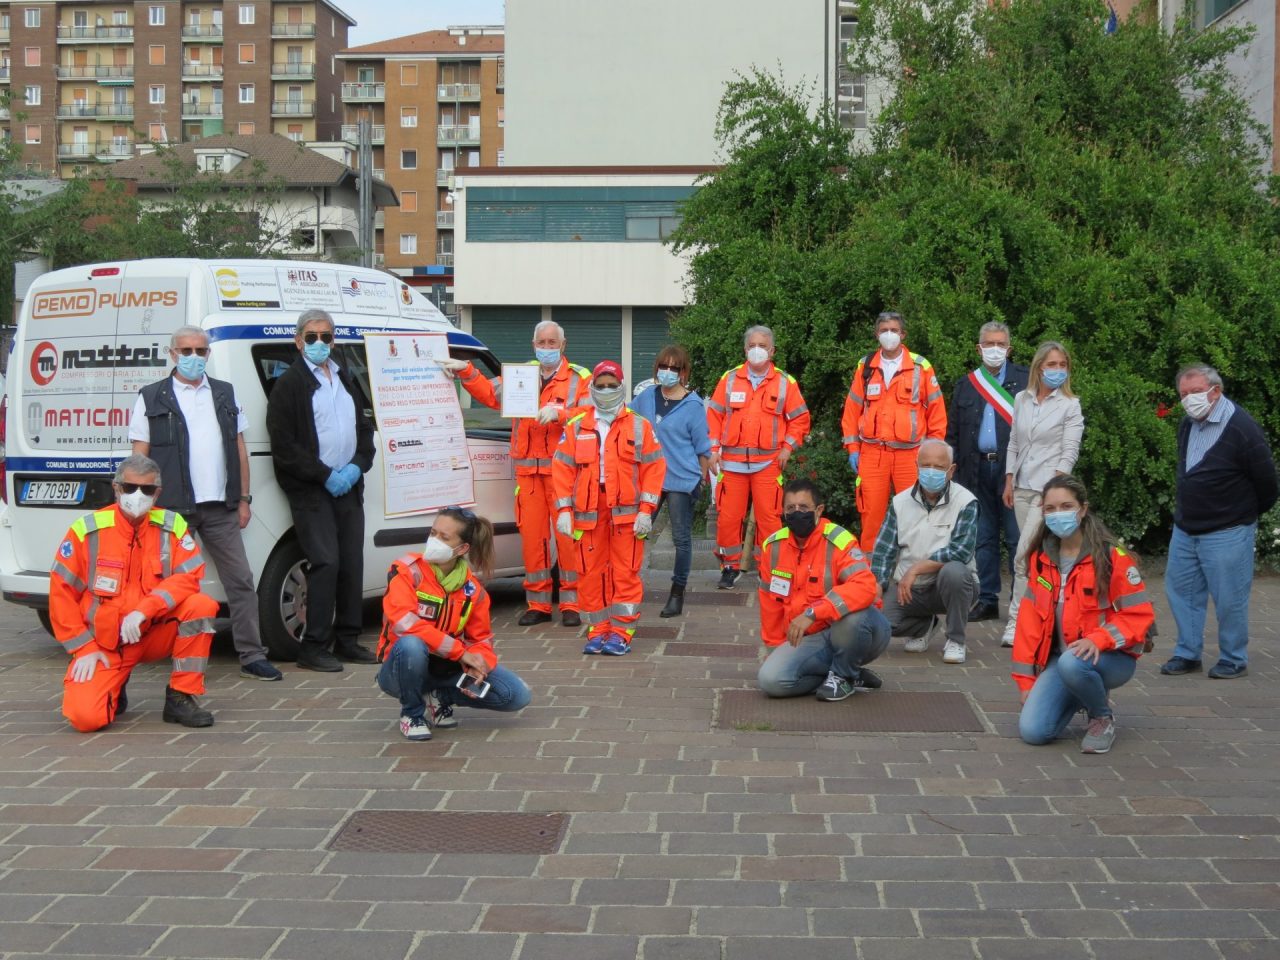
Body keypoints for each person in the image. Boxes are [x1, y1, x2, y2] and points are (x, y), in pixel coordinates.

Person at [130, 326, 282, 682]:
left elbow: (240, 449)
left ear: (209, 354)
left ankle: (252, 655)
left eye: (200, 350)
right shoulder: (152, 396)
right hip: (170, 510)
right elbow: (140, 456)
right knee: (166, 585)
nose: (194, 357)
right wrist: (141, 504)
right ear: (172, 354)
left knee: (241, 581)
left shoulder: (225, 394)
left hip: (220, 506)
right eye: (186, 350)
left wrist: (244, 499)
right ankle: (159, 649)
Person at [49, 455, 218, 731]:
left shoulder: (171, 526)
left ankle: (180, 695)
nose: (137, 495)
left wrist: (144, 610)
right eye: (129, 487)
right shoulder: (87, 531)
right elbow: (61, 593)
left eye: (147, 490)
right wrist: (83, 647)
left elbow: (190, 576)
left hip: (151, 632)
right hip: (105, 645)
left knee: (201, 606)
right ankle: (115, 685)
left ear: (157, 493)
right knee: (85, 718)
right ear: (116, 488)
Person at [438, 321, 590, 627]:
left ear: (564, 345)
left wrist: (561, 414)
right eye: (542, 343)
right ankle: (538, 604)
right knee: (533, 541)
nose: (547, 348)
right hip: (528, 475)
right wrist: (465, 370)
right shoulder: (521, 375)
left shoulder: (578, 378)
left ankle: (572, 603)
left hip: (563, 473)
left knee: (567, 540)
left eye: (552, 343)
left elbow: (591, 413)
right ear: (533, 344)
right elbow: (491, 394)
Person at [265, 309, 378, 672]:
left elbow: (364, 430)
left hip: (348, 485)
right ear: (298, 342)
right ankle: (313, 646)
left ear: (334, 339)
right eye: (311, 337)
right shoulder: (290, 385)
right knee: (326, 561)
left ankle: (347, 640)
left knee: (350, 563)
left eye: (326, 337)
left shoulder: (344, 377)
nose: (319, 343)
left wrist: (356, 466)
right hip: (312, 490)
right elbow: (284, 446)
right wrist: (324, 475)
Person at [1013, 475, 1155, 753]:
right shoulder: (1041, 558)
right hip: (1062, 660)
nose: (1058, 514)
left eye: (1066, 506)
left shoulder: (1112, 557)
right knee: (1033, 732)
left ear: (1082, 509)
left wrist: (1099, 639)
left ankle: (1101, 717)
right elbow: (1028, 623)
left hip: (1111, 658)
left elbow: (1139, 615)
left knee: (1072, 663)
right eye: (1050, 509)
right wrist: (1026, 682)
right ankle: (1082, 691)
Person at [1162, 364, 1277, 680]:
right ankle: (1187, 653)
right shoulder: (1189, 424)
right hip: (1187, 528)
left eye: (1196, 392)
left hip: (1228, 529)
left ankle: (1233, 657)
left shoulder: (1242, 428)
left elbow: (1267, 483)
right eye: (1184, 394)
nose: (1189, 399)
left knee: (1230, 598)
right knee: (1181, 593)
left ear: (1216, 390)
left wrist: (1241, 516)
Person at [376, 506, 531, 740]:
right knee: (411, 644)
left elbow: (481, 639)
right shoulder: (406, 571)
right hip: (401, 669)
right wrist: (460, 653)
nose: (434, 540)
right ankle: (412, 714)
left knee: (515, 695)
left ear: (462, 548)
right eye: (433, 533)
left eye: (444, 537)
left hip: (445, 669)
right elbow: (404, 623)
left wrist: (479, 665)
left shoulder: (473, 590)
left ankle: (439, 697)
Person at [551, 360, 665, 655]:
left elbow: (654, 468)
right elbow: (562, 470)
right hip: (588, 513)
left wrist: (646, 509)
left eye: (611, 385)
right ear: (592, 388)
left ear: (621, 387)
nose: (605, 390)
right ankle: (598, 629)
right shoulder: (577, 426)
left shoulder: (640, 425)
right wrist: (564, 510)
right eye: (600, 385)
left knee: (624, 572)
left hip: (627, 513)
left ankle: (622, 631)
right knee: (590, 573)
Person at [756, 479, 892, 701]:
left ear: (819, 510)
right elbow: (770, 603)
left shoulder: (839, 541)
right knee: (771, 681)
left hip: (855, 631)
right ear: (783, 511)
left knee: (853, 619)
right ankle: (842, 673)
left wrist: (814, 612)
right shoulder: (773, 547)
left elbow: (866, 587)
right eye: (790, 508)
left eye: (804, 507)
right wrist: (775, 650)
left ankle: (844, 675)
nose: (797, 513)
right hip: (809, 640)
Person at [706, 326, 811, 589]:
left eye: (762, 346)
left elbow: (800, 419)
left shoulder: (785, 382)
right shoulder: (729, 379)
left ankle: (769, 568)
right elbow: (714, 416)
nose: (757, 350)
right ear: (745, 349)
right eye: (752, 345)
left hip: (768, 463)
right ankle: (729, 567)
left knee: (770, 519)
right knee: (728, 518)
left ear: (772, 351)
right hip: (731, 464)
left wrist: (788, 447)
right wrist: (713, 449)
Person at [999, 341, 1084, 647]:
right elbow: (1013, 442)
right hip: (1021, 486)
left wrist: (1054, 492)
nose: (1058, 370)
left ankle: (1015, 622)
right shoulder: (1022, 398)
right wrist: (1009, 479)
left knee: (1022, 555)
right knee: (1037, 555)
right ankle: (1046, 616)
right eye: (1052, 365)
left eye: (1063, 365)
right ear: (1038, 367)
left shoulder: (1070, 405)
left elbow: (1069, 451)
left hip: (1046, 492)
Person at [842, 311, 948, 554]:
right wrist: (852, 448)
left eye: (894, 330)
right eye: (884, 330)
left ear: (903, 334)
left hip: (910, 456)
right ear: (876, 334)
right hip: (872, 453)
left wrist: (932, 456)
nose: (889, 334)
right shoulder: (866, 366)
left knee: (915, 512)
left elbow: (937, 414)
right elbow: (851, 411)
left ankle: (913, 568)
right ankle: (870, 572)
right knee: (871, 514)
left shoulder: (921, 367)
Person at [945, 321, 1028, 623]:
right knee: (983, 537)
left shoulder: (1026, 379)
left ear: (1009, 348)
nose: (995, 349)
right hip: (975, 468)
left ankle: (1022, 601)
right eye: (989, 344)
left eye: (1001, 344)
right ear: (979, 348)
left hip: (1014, 471)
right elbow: (952, 433)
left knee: (1018, 538)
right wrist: (951, 469)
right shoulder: (967, 384)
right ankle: (988, 599)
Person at [870, 439, 979, 664]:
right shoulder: (900, 502)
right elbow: (884, 550)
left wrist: (917, 569)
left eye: (939, 467)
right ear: (916, 465)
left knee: (955, 572)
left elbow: (960, 551)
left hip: (948, 586)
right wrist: (877, 587)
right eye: (926, 465)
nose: (931, 471)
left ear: (951, 471)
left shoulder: (966, 501)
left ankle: (956, 640)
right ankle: (924, 626)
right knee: (876, 622)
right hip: (909, 590)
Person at [631, 345, 712, 617]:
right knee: (637, 532)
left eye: (674, 368)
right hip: (649, 478)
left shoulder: (693, 405)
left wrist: (701, 480)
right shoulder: (645, 398)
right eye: (663, 366)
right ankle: (630, 586)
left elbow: (703, 448)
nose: (667, 372)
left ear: (683, 372)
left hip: (681, 479)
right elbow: (625, 422)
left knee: (681, 538)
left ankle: (677, 593)